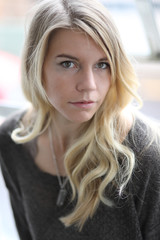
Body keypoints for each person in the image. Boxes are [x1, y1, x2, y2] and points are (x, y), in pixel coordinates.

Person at [0, 0, 160, 239]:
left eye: (102, 65)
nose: (89, 85)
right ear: (37, 66)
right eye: (68, 63)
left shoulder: (145, 152)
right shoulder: (12, 140)